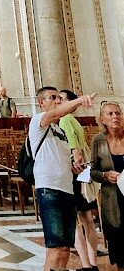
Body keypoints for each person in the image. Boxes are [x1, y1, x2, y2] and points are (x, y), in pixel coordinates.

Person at [30, 86, 95, 271]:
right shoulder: (38, 122)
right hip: (49, 190)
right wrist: (81, 100)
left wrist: (75, 167)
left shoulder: (61, 132)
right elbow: (56, 113)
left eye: (59, 98)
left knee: (65, 249)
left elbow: (63, 161)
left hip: (66, 190)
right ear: (41, 102)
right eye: (53, 97)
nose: (58, 101)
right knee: (55, 249)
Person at [58, 88, 99, 271]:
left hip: (75, 172)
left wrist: (74, 162)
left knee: (74, 222)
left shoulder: (65, 120)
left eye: (61, 98)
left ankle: (85, 265)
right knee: (88, 219)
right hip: (85, 173)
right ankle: (93, 263)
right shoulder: (74, 120)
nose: (58, 101)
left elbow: (76, 150)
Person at [91, 101, 124, 270]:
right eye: (110, 114)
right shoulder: (98, 140)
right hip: (112, 199)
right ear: (102, 119)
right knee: (119, 245)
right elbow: (93, 171)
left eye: (118, 113)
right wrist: (105, 175)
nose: (115, 117)